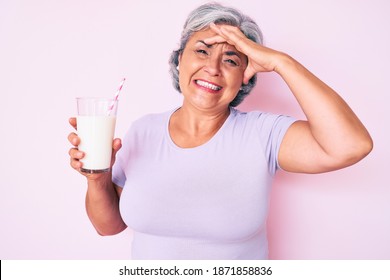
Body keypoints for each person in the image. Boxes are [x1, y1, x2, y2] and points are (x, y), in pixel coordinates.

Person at [68, 3, 373, 259]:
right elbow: (108, 227)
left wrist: (282, 63)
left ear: (246, 74)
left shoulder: (263, 134)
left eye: (231, 59)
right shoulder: (142, 131)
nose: (213, 68)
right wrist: (98, 179)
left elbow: (350, 145)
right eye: (202, 51)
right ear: (179, 60)